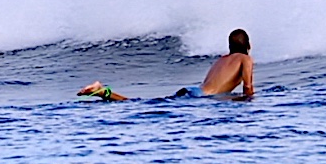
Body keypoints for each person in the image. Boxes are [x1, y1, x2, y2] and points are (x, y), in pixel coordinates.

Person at [78, 29, 255, 101]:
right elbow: (247, 87)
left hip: (193, 90)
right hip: (199, 98)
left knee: (141, 104)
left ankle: (102, 91)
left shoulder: (222, 59)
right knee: (136, 105)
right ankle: (101, 90)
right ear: (248, 45)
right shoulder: (245, 59)